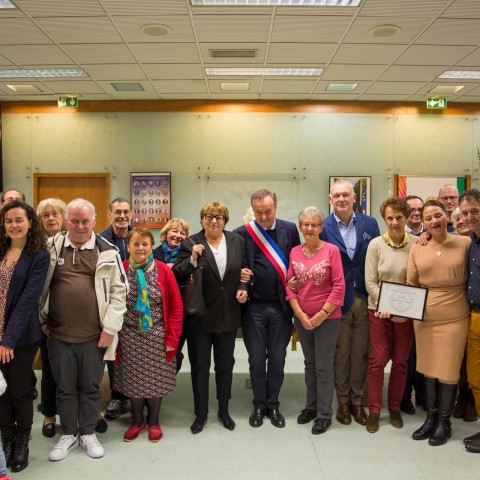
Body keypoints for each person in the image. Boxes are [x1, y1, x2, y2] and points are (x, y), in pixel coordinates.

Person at [40, 198, 127, 461]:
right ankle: (68, 433)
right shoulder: (50, 248)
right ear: (67, 221)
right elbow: (38, 286)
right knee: (64, 387)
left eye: (85, 221)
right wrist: (41, 318)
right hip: (57, 334)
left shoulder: (108, 251)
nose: (79, 226)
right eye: (75, 220)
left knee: (90, 386)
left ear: (95, 220)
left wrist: (110, 328)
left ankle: (88, 432)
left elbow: (119, 292)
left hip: (94, 335)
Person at [174, 202, 248, 434]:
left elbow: (244, 270)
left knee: (225, 365)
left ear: (225, 220)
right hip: (200, 317)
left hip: (228, 314)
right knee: (200, 367)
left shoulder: (237, 241)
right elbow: (177, 272)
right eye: (208, 216)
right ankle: (201, 414)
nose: (213, 220)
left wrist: (244, 285)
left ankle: (223, 410)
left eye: (219, 216)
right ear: (202, 219)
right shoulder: (191, 242)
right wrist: (193, 258)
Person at [234, 189, 300, 428]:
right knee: (256, 359)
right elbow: (235, 268)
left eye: (268, 211)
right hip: (254, 309)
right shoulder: (241, 234)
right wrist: (240, 278)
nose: (263, 217)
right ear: (253, 209)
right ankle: (259, 405)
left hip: (282, 307)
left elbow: (297, 262)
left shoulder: (290, 230)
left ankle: (273, 405)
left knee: (278, 359)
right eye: (259, 212)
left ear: (276, 207)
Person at [407, 199, 470, 446]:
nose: (434, 221)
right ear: (422, 222)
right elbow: (412, 282)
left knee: (448, 370)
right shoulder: (418, 246)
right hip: (425, 317)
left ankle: (445, 422)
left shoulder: (465, 243)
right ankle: (431, 418)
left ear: (448, 216)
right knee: (428, 368)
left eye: (438, 215)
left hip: (455, 316)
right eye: (428, 218)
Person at [114, 228, 183, 442]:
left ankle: (153, 421)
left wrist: (172, 339)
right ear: (128, 247)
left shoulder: (163, 270)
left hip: (158, 336)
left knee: (156, 382)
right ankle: (137, 421)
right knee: (133, 382)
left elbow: (176, 307)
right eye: (136, 244)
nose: (140, 248)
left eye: (145, 244)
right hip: (128, 336)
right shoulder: (121, 270)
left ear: (152, 246)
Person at [320, 180, 380, 426]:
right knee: (341, 354)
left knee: (360, 353)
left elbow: (378, 257)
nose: (341, 199)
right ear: (330, 199)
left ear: (354, 197)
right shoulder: (322, 226)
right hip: (336, 299)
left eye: (346, 195)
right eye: (337, 195)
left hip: (365, 297)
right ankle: (343, 402)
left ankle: (358, 402)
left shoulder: (370, 223)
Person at [286, 206, 345, 435]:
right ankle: (310, 407)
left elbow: (339, 286)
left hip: (328, 319)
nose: (309, 228)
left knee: (323, 367)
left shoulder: (331, 251)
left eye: (314, 224)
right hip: (303, 318)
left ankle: (324, 414)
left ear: (321, 227)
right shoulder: (294, 252)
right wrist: (300, 315)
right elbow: (289, 286)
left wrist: (321, 315)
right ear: (300, 226)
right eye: (305, 224)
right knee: (309, 365)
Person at [0, 200, 50, 472]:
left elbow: (28, 300)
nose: (14, 225)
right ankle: (7, 440)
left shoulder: (38, 256)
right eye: (9, 220)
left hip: (20, 337)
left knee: (19, 391)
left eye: (19, 219)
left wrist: (8, 340)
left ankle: (22, 443)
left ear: (30, 223)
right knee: (0, 392)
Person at [364, 197, 415, 433]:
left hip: (406, 317)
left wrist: (404, 310)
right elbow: (370, 282)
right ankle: (374, 410)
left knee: (401, 363)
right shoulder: (375, 245)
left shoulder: (416, 244)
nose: (394, 222)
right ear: (384, 219)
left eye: (399, 217)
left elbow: (417, 281)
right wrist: (386, 306)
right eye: (390, 218)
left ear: (406, 218)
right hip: (379, 313)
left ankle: (394, 407)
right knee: (377, 362)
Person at [35, 198, 67, 439]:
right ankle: (49, 414)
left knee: (80, 370)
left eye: (55, 213)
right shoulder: (35, 247)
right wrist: (41, 318)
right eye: (45, 215)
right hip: (46, 318)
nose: (51, 218)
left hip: (76, 318)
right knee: (49, 369)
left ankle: (83, 413)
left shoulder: (76, 242)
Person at [99, 198, 132, 421]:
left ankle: (135, 393)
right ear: (109, 213)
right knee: (114, 350)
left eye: (125, 212)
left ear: (131, 214)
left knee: (133, 350)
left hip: (137, 303)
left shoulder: (138, 237)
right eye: (117, 211)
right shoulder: (100, 240)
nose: (122, 216)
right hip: (109, 303)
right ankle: (117, 395)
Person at [449, 206, 478, 423]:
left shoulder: (474, 243)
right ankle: (464, 397)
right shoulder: (455, 244)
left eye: (467, 216)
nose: (464, 221)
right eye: (459, 218)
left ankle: (471, 400)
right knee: (462, 360)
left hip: (474, 310)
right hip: (459, 310)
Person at [458, 189, 480, 453]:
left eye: (475, 211)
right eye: (465, 213)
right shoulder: (471, 242)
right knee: (475, 379)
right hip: (473, 316)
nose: (469, 216)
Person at [153, 218, 190, 372]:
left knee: (175, 349)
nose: (178, 235)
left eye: (182, 233)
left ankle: (169, 378)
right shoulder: (154, 253)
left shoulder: (189, 256)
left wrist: (176, 269)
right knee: (158, 350)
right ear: (166, 233)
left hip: (182, 310)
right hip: (158, 311)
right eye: (174, 231)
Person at [401, 195, 425, 416]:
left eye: (420, 209)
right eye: (412, 210)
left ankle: (424, 395)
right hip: (404, 300)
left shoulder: (432, 234)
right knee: (407, 352)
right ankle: (405, 396)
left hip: (429, 301)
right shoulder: (398, 236)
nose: (416, 213)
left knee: (424, 351)